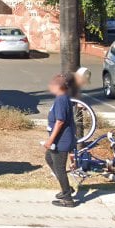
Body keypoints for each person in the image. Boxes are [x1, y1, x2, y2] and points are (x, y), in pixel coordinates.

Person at [42, 73, 78, 207]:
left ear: (58, 86)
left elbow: (60, 121)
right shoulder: (62, 98)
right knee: (49, 158)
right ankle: (66, 188)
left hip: (61, 141)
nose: (50, 86)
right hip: (60, 140)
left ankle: (68, 199)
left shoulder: (61, 100)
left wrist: (50, 140)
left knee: (59, 168)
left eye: (52, 84)